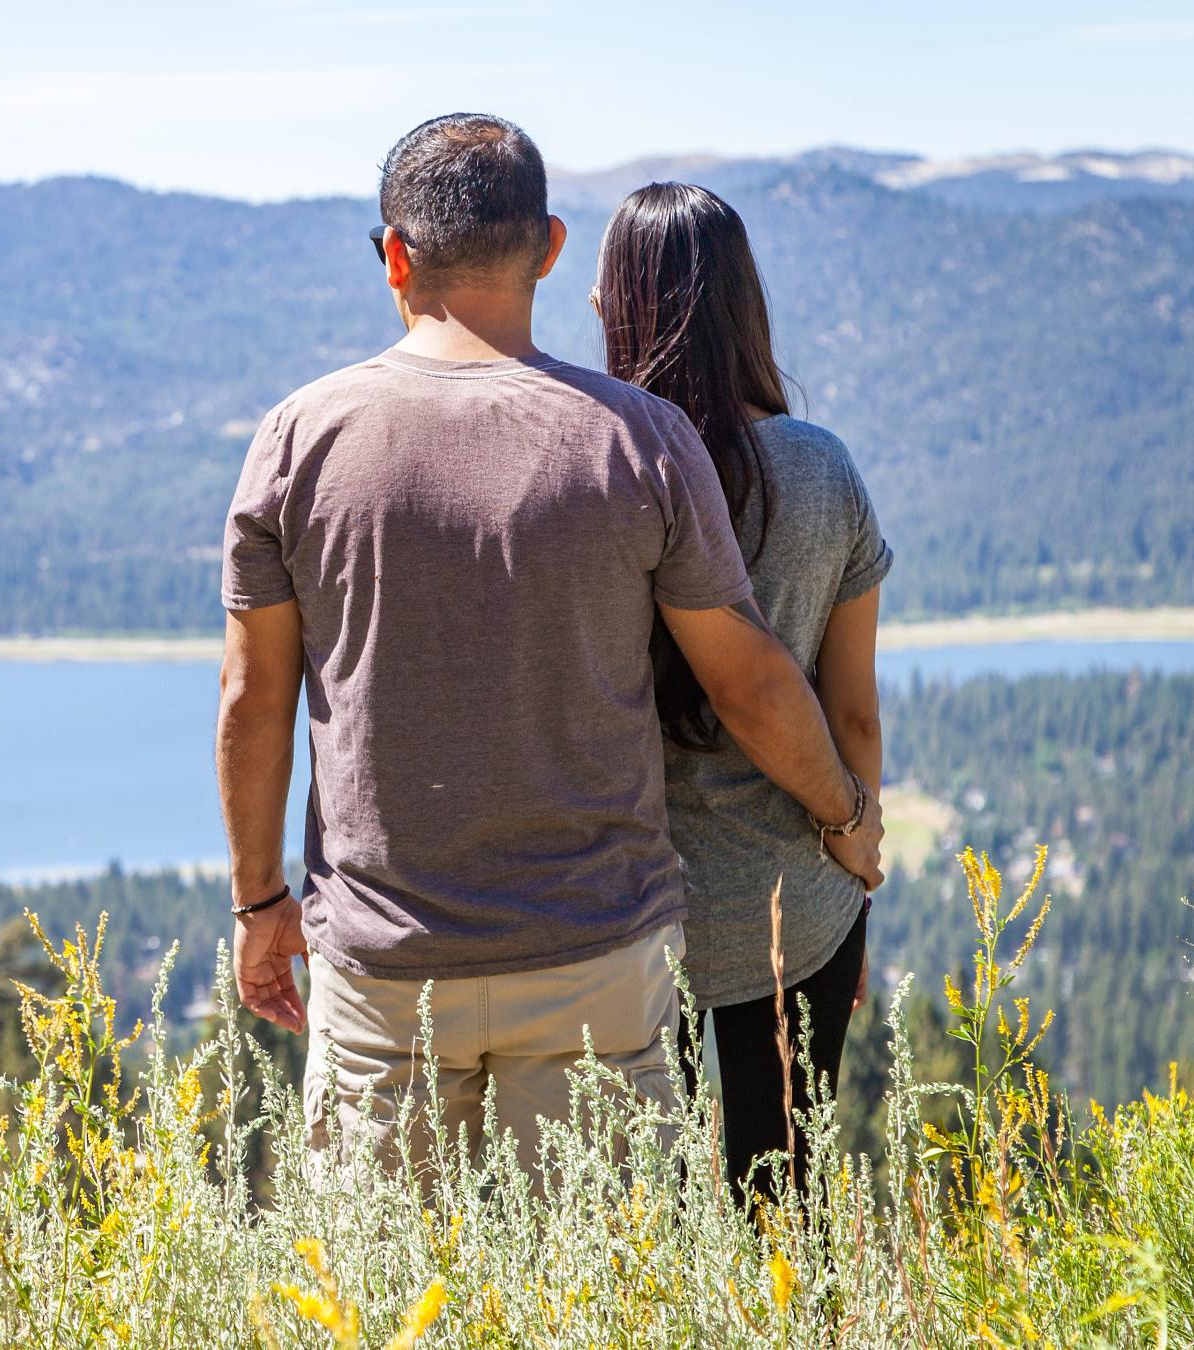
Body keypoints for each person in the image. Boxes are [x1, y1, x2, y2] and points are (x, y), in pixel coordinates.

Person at [214, 113, 884, 1180]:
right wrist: (848, 818)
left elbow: (254, 699)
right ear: (551, 247)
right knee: (600, 1295)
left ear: (394, 254)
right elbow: (749, 681)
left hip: (390, 966)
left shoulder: (301, 437)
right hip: (597, 961)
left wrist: (259, 905)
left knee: (389, 1300)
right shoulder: (639, 439)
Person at [594, 181, 892, 1202]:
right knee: (787, 1205)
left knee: (641, 1222)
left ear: (623, 304)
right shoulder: (820, 470)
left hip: (627, 918)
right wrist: (857, 847)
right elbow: (851, 709)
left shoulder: (604, 469)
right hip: (795, 901)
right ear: (745, 302)